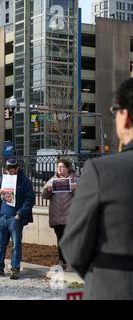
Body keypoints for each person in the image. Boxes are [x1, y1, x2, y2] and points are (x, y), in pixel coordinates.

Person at [60, 78, 133, 300]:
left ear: (126, 116)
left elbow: (73, 246)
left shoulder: (102, 171)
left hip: (115, 287)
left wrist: (105, 273)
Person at [0, 159, 35, 280]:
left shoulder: (25, 181)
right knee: (0, 244)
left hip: (15, 217)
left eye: (13, 169)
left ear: (17, 168)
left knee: (16, 245)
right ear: (5, 169)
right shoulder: (0, 179)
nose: (11, 171)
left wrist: (20, 213)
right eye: (8, 169)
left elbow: (30, 199)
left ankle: (15, 269)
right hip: (2, 216)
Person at [41, 159, 77, 270]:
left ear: (68, 168)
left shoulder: (75, 180)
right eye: (58, 167)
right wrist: (47, 190)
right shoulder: (52, 180)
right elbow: (44, 196)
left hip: (70, 217)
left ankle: (71, 263)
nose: (60, 169)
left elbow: (83, 196)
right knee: (60, 240)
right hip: (56, 216)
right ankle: (62, 261)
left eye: (62, 167)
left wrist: (75, 189)